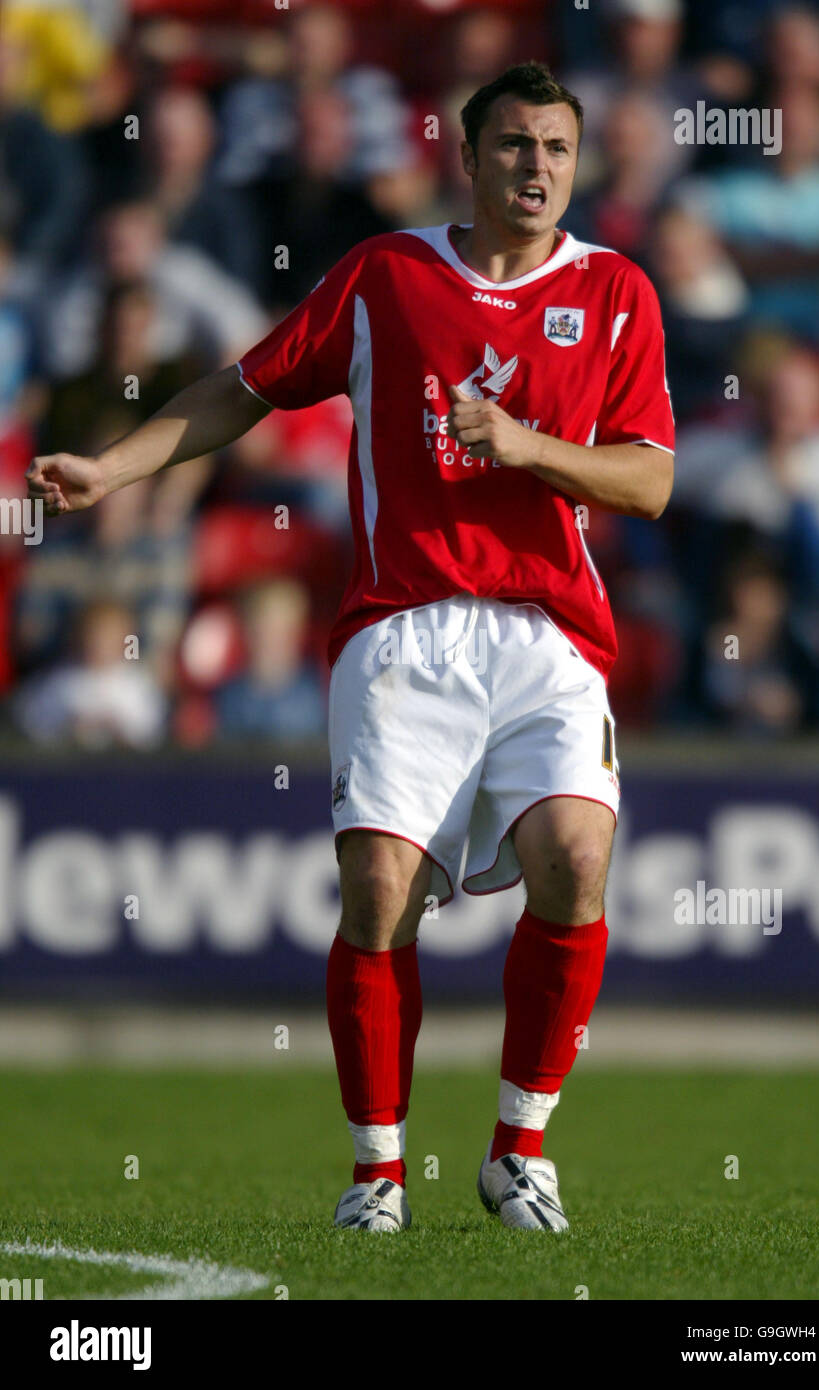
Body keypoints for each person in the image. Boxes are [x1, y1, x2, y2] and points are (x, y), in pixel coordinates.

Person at [26, 62, 675, 1234]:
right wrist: (111, 465)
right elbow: (246, 387)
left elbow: (651, 478)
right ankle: (378, 1174)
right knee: (378, 892)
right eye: (516, 147)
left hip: (548, 631)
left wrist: (525, 447)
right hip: (403, 624)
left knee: (576, 861)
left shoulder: (617, 290)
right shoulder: (384, 276)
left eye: (557, 151)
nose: (537, 169)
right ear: (468, 159)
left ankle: (516, 1153)